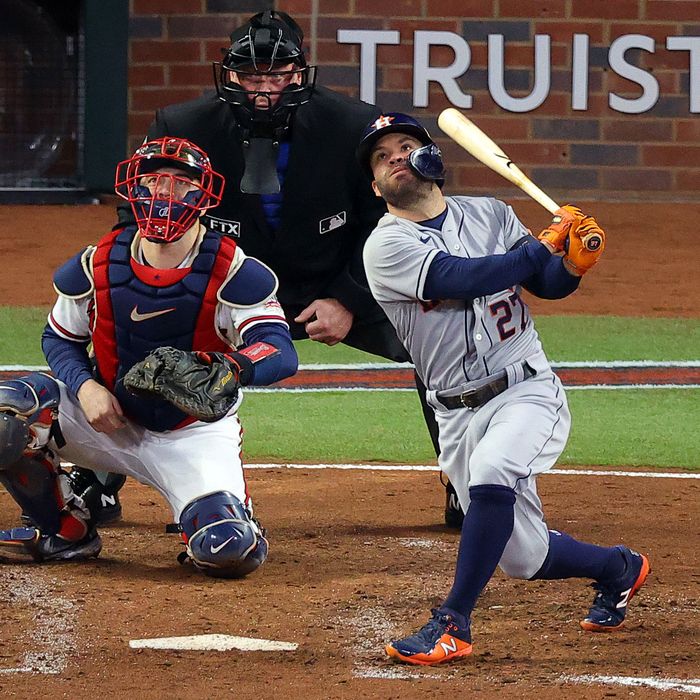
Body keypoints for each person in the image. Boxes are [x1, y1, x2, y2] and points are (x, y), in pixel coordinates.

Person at [72, 9, 462, 529]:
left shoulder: (354, 126)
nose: (264, 90)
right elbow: (134, 220)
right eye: (251, 76)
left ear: (300, 73)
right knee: (127, 321)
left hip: (330, 282)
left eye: (277, 76)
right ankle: (96, 481)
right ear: (228, 74)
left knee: (442, 334)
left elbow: (389, 222)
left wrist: (348, 297)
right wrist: (160, 293)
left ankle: (466, 479)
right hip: (220, 290)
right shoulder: (182, 126)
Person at [357, 113, 651, 664]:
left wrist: (574, 264)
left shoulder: (491, 213)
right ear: (376, 186)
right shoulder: (386, 246)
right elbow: (462, 278)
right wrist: (544, 245)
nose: (395, 157)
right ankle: (620, 568)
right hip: (455, 413)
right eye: (382, 157)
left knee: (494, 473)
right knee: (524, 558)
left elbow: (544, 283)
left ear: (431, 161)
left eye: (405, 146)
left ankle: (453, 622)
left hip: (525, 388)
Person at [0, 137, 298, 578]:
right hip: (107, 421)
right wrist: (86, 388)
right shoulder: (98, 262)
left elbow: (279, 349)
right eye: (153, 181)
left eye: (180, 183)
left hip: (189, 435)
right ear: (133, 189)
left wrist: (230, 368)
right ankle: (62, 530)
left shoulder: (232, 269)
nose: (164, 194)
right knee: (7, 414)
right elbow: (59, 338)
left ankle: (224, 515)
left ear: (203, 195)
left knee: (229, 553)